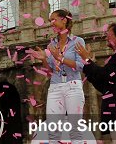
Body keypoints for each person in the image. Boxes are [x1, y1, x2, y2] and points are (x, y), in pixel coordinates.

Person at [76, 22, 116, 143]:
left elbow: (103, 75)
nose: (106, 37)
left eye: (109, 35)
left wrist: (87, 59)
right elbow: (104, 85)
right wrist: (89, 64)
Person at [30, 9, 86, 144]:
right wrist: (44, 58)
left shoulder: (78, 41)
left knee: (75, 129)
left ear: (64, 20)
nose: (51, 23)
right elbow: (49, 71)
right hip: (55, 86)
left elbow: (80, 66)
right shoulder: (52, 44)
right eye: (50, 21)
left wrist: (59, 57)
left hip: (73, 86)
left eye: (53, 19)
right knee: (53, 131)